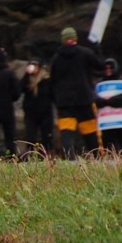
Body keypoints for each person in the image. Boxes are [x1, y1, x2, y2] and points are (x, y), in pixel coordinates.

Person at [50, 26, 104, 158]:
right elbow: (100, 65)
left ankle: (70, 159)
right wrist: (97, 49)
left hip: (64, 101)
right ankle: (96, 157)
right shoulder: (85, 53)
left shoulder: (56, 58)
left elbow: (53, 80)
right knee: (90, 132)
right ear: (75, 38)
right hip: (84, 99)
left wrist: (56, 99)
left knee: (67, 132)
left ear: (63, 40)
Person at [95, 58, 122, 154]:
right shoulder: (98, 83)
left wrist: (109, 101)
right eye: (106, 68)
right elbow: (95, 99)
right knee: (108, 145)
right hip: (106, 121)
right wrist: (110, 101)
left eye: (111, 68)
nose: (108, 70)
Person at [20, 57, 53, 155]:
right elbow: (19, 89)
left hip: (45, 112)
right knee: (30, 136)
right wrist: (26, 75)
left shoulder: (47, 79)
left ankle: (46, 155)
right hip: (31, 112)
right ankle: (30, 155)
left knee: (46, 136)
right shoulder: (27, 80)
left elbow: (52, 94)